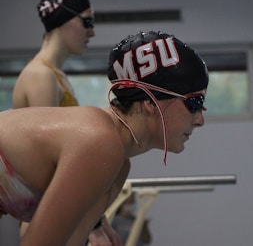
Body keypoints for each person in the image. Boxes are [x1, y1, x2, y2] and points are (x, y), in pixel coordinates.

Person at [0, 30, 209, 245]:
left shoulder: (118, 167)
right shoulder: (101, 142)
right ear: (150, 101)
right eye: (194, 103)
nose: (200, 120)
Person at [12, 0, 121, 245]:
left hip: (60, 211)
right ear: (62, 20)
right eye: (87, 21)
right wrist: (93, 226)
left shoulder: (56, 76)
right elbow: (50, 169)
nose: (92, 32)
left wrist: (98, 220)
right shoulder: (40, 76)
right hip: (48, 216)